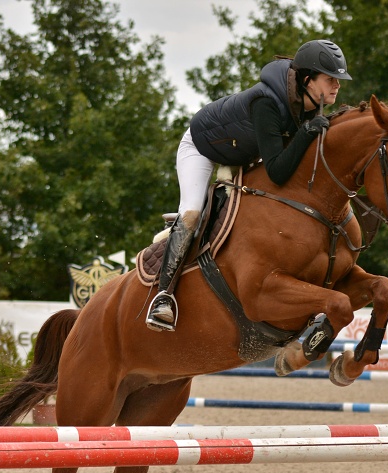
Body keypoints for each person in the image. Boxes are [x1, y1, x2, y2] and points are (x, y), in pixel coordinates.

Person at [146, 40, 352, 331]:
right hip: (202, 147)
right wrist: (306, 133)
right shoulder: (267, 103)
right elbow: (279, 171)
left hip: (242, 154)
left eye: (338, 81)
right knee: (192, 213)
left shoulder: (308, 106)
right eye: (330, 79)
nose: (337, 86)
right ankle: (163, 297)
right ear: (307, 80)